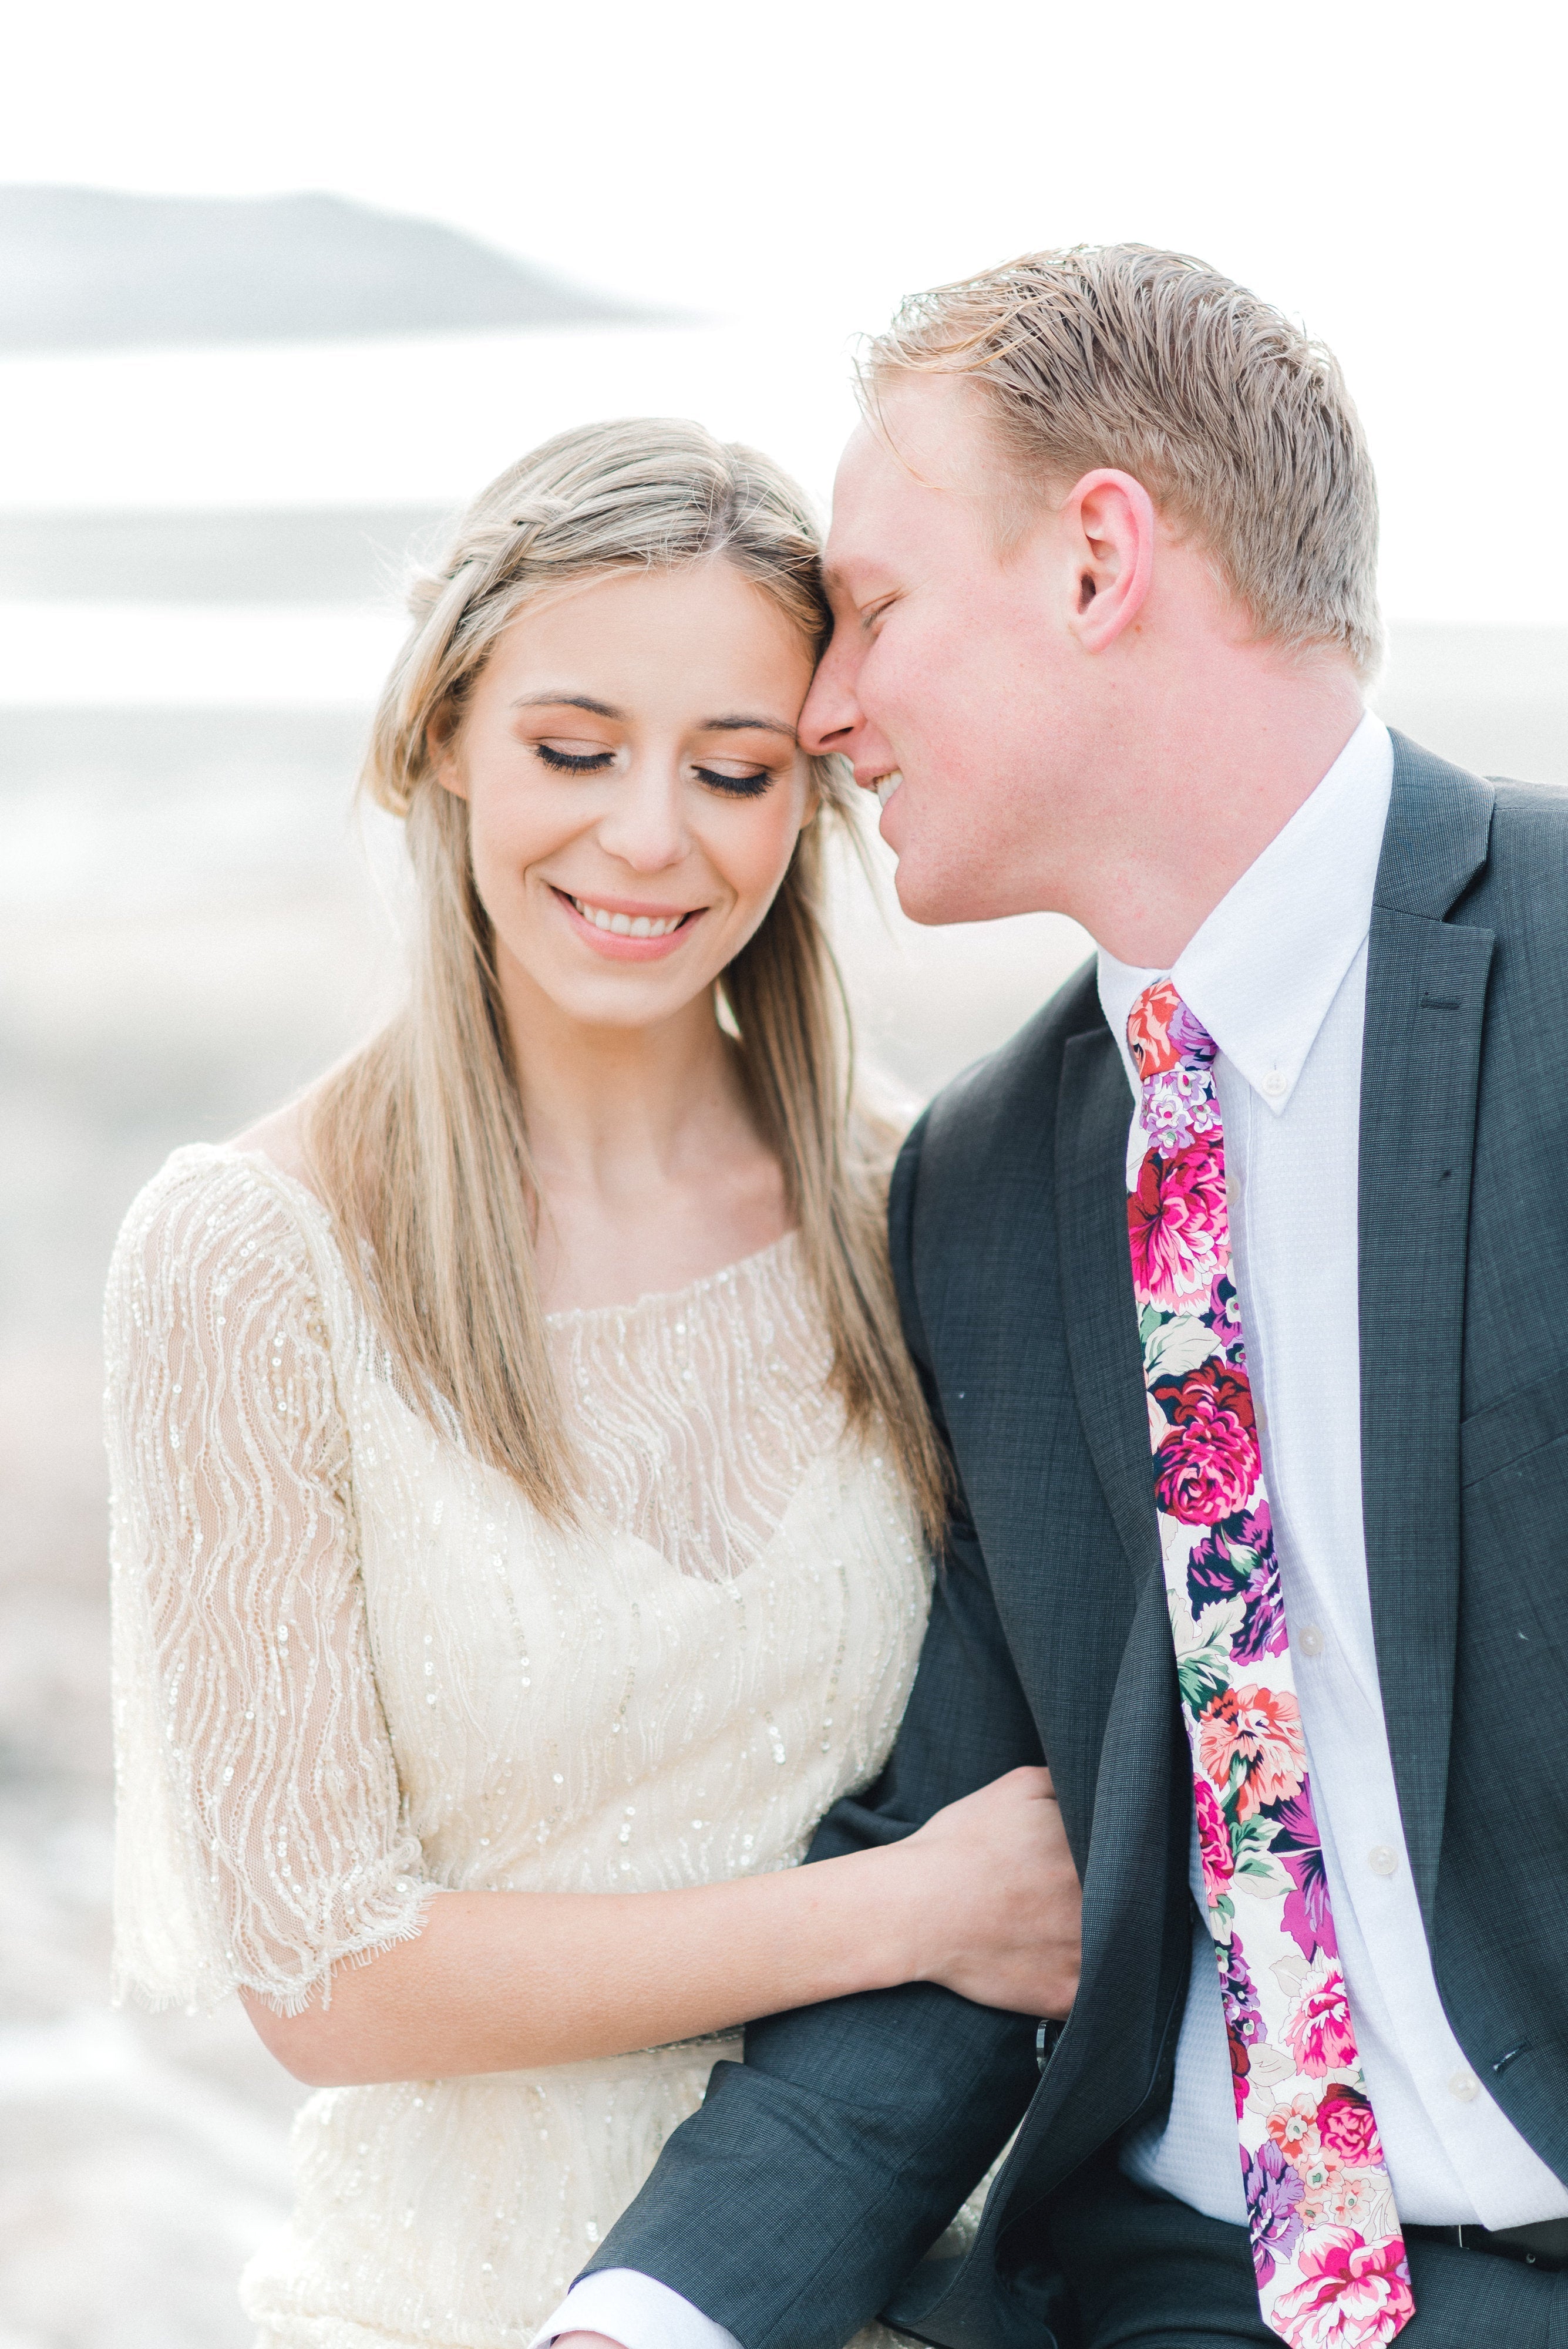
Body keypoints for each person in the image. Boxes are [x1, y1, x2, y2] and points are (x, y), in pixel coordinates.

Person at [547, 251, 1568, 2349]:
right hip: (1164, 2283)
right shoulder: (993, 1177)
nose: (824, 716)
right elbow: (969, 1853)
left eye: (878, 611)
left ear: (1101, 558)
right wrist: (643, 2320)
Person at [103, 418, 1084, 2349]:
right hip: (451, 2307)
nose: (649, 835)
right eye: (573, 750)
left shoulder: (929, 1209)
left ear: (810, 800)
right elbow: (328, 1976)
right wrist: (896, 1918)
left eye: (731, 771)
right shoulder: (248, 1258)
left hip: (899, 2295)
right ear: (440, 739)